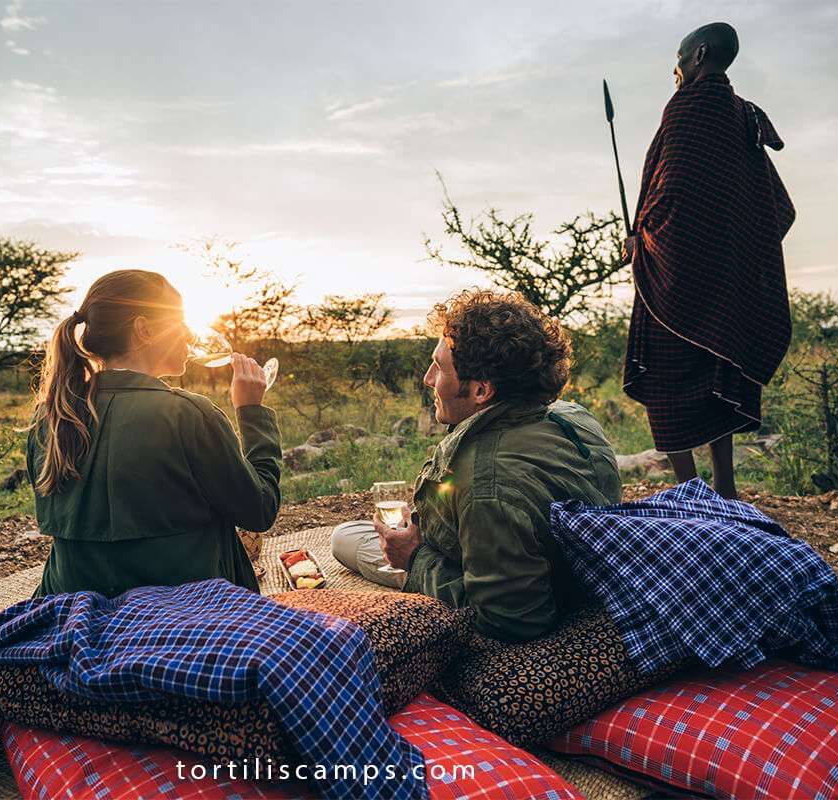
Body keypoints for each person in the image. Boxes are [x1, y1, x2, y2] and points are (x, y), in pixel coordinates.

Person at [331, 290, 622, 642]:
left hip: (538, 602)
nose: (427, 379)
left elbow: (509, 621)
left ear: (481, 390)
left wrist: (413, 557)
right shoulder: (572, 415)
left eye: (439, 368)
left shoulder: (488, 486)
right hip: (581, 578)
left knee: (344, 537)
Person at [27, 269, 281, 597]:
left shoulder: (50, 415)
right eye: (181, 323)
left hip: (71, 606)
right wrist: (251, 412)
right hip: (185, 613)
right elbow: (259, 510)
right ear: (144, 330)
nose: (190, 337)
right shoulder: (187, 414)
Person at [622, 22, 796, 499]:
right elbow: (771, 204)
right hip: (727, 281)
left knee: (664, 375)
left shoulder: (689, 106)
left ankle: (690, 488)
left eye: (679, 57)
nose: (674, 68)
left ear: (698, 55)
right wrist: (730, 249)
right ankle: (726, 485)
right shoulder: (742, 114)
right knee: (718, 365)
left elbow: (671, 189)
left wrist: (643, 238)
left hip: (675, 275)